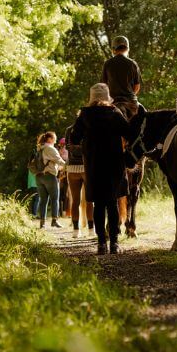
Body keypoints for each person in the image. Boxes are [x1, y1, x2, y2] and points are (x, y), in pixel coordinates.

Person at [70, 83, 130, 255]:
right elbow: (128, 132)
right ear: (107, 97)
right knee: (112, 203)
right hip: (114, 164)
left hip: (94, 165)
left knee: (98, 204)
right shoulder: (115, 112)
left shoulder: (84, 115)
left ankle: (101, 243)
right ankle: (114, 243)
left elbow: (74, 138)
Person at [65, 121, 94, 238]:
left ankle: (76, 230)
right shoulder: (90, 128)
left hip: (72, 168)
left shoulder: (69, 130)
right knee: (90, 200)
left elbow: (67, 147)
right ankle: (91, 229)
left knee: (75, 201)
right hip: (87, 168)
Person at [101, 35, 142, 120]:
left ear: (113, 50)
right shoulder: (133, 64)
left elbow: (104, 86)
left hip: (112, 103)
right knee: (146, 119)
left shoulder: (107, 64)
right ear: (127, 49)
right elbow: (137, 87)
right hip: (131, 103)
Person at [35, 131, 66, 228]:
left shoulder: (39, 148)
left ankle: (42, 223)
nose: (55, 140)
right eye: (54, 138)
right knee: (54, 199)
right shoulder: (50, 148)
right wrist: (68, 165)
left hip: (39, 176)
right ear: (49, 139)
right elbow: (59, 161)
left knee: (43, 200)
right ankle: (54, 221)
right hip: (49, 176)